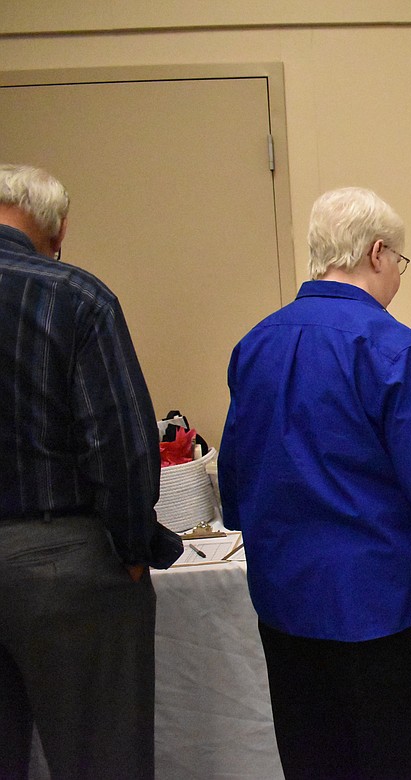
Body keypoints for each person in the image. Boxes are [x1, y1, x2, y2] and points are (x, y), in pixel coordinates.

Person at [218, 186, 411, 780]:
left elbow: (234, 472)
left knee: (309, 751)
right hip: (380, 599)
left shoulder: (256, 343)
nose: (398, 277)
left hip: (286, 593)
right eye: (399, 263)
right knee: (385, 754)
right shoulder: (393, 348)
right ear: (377, 253)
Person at [0, 163, 181, 779]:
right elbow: (120, 445)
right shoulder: (74, 297)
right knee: (102, 758)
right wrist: (135, 545)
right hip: (62, 565)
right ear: (57, 230)